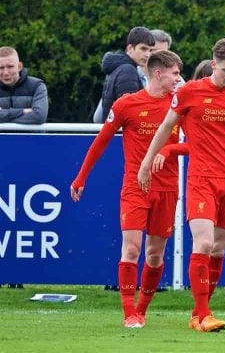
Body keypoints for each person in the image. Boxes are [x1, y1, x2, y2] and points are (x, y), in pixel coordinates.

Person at [138, 37, 225, 333]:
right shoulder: (190, 92)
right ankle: (205, 314)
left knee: (218, 250)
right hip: (201, 178)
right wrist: (147, 161)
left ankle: (197, 313)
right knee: (203, 243)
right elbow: (166, 127)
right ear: (214, 63)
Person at [71, 50, 183, 328]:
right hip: (135, 187)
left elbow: (197, 144)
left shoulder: (179, 105)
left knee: (155, 255)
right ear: (159, 73)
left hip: (167, 188)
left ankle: (142, 310)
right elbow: (101, 141)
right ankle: (128, 313)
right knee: (131, 249)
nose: (179, 79)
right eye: (175, 74)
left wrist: (168, 150)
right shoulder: (127, 104)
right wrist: (81, 177)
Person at [93, 26, 155, 123]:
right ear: (130, 48)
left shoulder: (119, 67)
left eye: (150, 50)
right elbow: (130, 113)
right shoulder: (127, 70)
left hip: (114, 132)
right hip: (122, 134)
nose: (147, 54)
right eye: (143, 49)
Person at [0, 46, 48, 124]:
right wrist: (22, 111)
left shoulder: (37, 86)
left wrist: (3, 117)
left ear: (19, 67)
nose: (5, 72)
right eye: (1, 68)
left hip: (31, 136)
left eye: (10, 67)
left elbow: (39, 117)